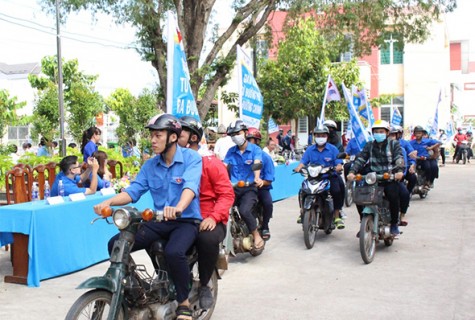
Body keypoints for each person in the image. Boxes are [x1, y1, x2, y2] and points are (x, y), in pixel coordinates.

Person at [93, 114, 202, 320]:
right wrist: (109, 202)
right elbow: (133, 192)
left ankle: (184, 303)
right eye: (151, 135)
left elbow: (190, 186)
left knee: (173, 252)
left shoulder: (191, 158)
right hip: (159, 221)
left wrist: (178, 207)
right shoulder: (150, 165)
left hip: (185, 221)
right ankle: (139, 290)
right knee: (116, 243)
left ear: (172, 137)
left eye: (158, 135)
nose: (152, 140)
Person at [178, 116, 234, 309]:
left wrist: (213, 217)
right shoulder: (175, 162)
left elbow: (226, 194)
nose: (174, 137)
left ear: (193, 138)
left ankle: (204, 284)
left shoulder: (211, 163)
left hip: (209, 219)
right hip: (184, 219)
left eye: (180, 133)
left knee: (206, 239)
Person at [347, 120, 405, 236]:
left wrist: (399, 171)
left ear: (387, 132)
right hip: (373, 178)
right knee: (360, 196)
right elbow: (361, 159)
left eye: (381, 131)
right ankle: (365, 223)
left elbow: (399, 157)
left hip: (389, 177)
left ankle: (394, 223)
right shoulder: (369, 145)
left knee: (393, 195)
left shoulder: (394, 144)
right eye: (376, 132)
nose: (379, 134)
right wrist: (352, 171)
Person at [223, 119, 265, 253]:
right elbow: (223, 167)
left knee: (244, 210)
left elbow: (257, 163)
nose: (236, 136)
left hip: (249, 188)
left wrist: (257, 177)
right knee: (221, 208)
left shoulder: (255, 150)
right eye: (232, 134)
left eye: (238, 133)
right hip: (233, 188)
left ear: (245, 133)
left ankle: (257, 235)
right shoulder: (230, 151)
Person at [294, 125, 346, 229]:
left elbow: (338, 162)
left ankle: (337, 215)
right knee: (303, 190)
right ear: (314, 136)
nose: (320, 137)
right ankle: (302, 212)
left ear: (327, 136)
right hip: (314, 177)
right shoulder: (310, 149)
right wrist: (298, 167)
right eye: (318, 135)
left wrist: (338, 166)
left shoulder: (333, 149)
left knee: (337, 190)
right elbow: (303, 161)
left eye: (323, 135)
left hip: (329, 176)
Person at [246, 127, 275, 240]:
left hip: (261, 188)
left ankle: (265, 225)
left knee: (268, 203)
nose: (248, 143)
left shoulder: (266, 158)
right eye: (247, 140)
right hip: (246, 187)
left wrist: (262, 182)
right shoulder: (242, 155)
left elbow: (269, 178)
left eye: (251, 140)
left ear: (257, 141)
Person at [389, 126, 412, 227]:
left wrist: (400, 173)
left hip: (394, 179)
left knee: (404, 194)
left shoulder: (400, 149)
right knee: (362, 195)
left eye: (393, 135)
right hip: (377, 179)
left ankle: (401, 216)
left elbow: (402, 164)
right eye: (389, 135)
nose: (391, 137)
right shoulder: (373, 147)